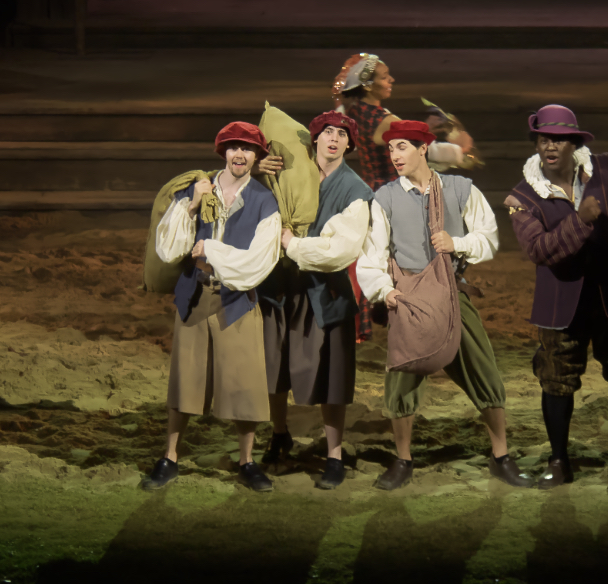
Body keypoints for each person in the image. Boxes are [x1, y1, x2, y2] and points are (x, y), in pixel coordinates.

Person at [356, 119, 532, 490]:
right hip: (410, 296)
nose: (394, 155)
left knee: (483, 369)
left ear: (423, 148)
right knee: (402, 379)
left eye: (402, 147)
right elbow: (373, 253)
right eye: (391, 149)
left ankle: (501, 455)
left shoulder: (460, 188)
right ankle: (403, 459)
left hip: (451, 291)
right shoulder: (386, 197)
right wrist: (385, 292)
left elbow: (488, 239)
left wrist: (457, 243)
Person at [504, 104, 608, 489]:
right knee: (556, 379)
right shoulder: (522, 197)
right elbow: (539, 250)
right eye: (544, 139)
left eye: (559, 139)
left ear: (574, 143)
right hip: (560, 304)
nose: (550, 146)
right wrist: (580, 221)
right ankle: (559, 460)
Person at [142, 122, 282, 493]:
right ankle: (170, 457)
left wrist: (214, 251)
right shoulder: (198, 189)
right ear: (223, 151)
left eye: (247, 149)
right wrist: (191, 204)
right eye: (234, 147)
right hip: (196, 294)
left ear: (257, 156)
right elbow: (169, 248)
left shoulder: (264, 201)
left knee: (244, 384)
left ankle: (247, 461)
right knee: (184, 380)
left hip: (236, 300)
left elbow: (259, 261)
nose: (240, 154)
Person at [256, 111, 372, 490]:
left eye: (342, 135)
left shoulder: (354, 190)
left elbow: (341, 250)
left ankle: (334, 454)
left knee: (331, 375)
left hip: (326, 291)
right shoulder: (286, 170)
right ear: (315, 138)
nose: (334, 139)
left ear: (349, 145)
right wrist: (257, 171)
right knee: (274, 366)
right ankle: (279, 433)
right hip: (280, 286)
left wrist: (293, 244)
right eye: (328, 133)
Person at [335, 53, 475, 342]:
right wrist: (460, 150)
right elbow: (421, 152)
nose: (391, 80)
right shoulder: (384, 119)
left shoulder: (354, 113)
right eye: (385, 76)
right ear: (368, 84)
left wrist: (427, 129)